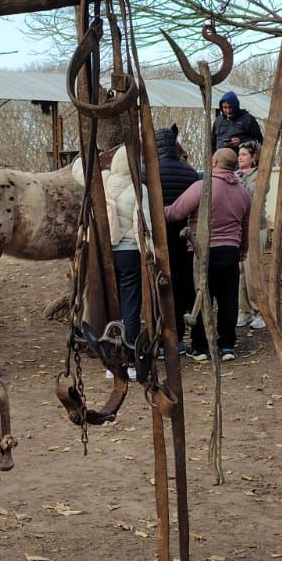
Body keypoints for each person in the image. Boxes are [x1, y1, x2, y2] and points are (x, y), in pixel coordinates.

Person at [165, 146, 251, 363]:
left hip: (202, 251)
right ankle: (227, 345)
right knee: (228, 299)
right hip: (230, 251)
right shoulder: (243, 192)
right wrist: (242, 249)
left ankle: (200, 346)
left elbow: (175, 212)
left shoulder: (203, 187)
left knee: (202, 296)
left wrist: (154, 209)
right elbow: (245, 224)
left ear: (214, 163)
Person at [149, 126, 199, 349]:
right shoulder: (189, 172)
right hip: (183, 236)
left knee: (159, 285)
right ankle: (180, 336)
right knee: (181, 284)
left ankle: (161, 338)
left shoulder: (147, 171)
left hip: (158, 237)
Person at [104, 146, 146, 378]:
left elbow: (79, 171)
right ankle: (130, 360)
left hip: (105, 253)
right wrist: (148, 255)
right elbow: (143, 224)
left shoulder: (103, 182)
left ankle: (112, 360)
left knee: (110, 304)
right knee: (131, 306)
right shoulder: (138, 190)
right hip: (130, 252)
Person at [235, 140, 267, 330]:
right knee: (239, 272)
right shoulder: (236, 174)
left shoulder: (260, 176)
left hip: (255, 228)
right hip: (238, 229)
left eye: (244, 154)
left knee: (252, 271)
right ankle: (245, 311)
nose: (240, 157)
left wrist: (234, 183)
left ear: (254, 157)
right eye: (239, 155)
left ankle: (261, 311)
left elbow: (251, 195)